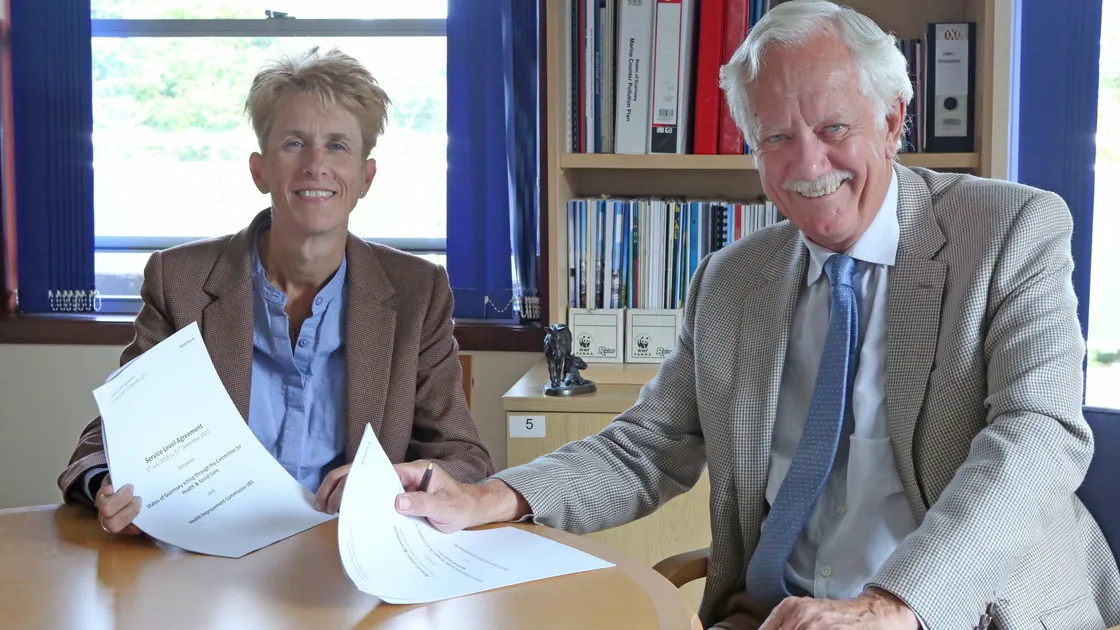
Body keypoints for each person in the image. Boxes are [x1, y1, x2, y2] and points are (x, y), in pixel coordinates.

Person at [388, 2, 1120, 629]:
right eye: (775, 137)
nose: (806, 163)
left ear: (893, 120)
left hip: (956, 608)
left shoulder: (1008, 231)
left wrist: (897, 602)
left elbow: (1038, 435)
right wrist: (491, 496)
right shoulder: (734, 279)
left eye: (834, 127)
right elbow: (649, 443)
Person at [58, 46, 494, 536]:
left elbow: (464, 459)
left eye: (337, 146)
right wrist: (111, 488)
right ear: (259, 169)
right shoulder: (177, 281)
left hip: (349, 559)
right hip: (207, 559)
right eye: (293, 144)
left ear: (365, 177)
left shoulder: (418, 292)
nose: (315, 164)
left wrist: (387, 484)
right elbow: (107, 442)